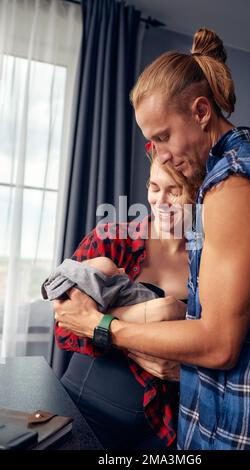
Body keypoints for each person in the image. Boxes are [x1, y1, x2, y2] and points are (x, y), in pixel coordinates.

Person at [54, 27, 250, 450]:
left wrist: (103, 325)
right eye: (151, 142)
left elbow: (219, 344)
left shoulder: (234, 183)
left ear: (202, 111)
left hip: (240, 434)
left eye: (163, 136)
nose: (159, 154)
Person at [53, 151, 199, 450]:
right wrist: (154, 316)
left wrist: (188, 371)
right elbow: (65, 324)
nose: (160, 200)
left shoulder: (210, 262)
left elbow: (215, 344)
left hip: (162, 427)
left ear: (199, 194)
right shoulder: (111, 240)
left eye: (175, 190)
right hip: (84, 409)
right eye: (155, 187)